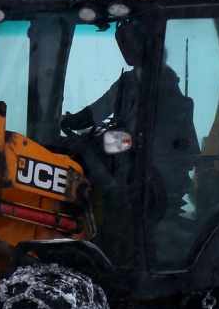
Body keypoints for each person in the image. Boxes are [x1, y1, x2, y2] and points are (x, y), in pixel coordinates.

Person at [60, 20, 198, 215]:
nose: (126, 48)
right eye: (123, 42)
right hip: (127, 173)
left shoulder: (171, 96)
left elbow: (166, 145)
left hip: (153, 184)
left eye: (129, 41)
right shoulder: (128, 82)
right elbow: (100, 108)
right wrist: (76, 120)